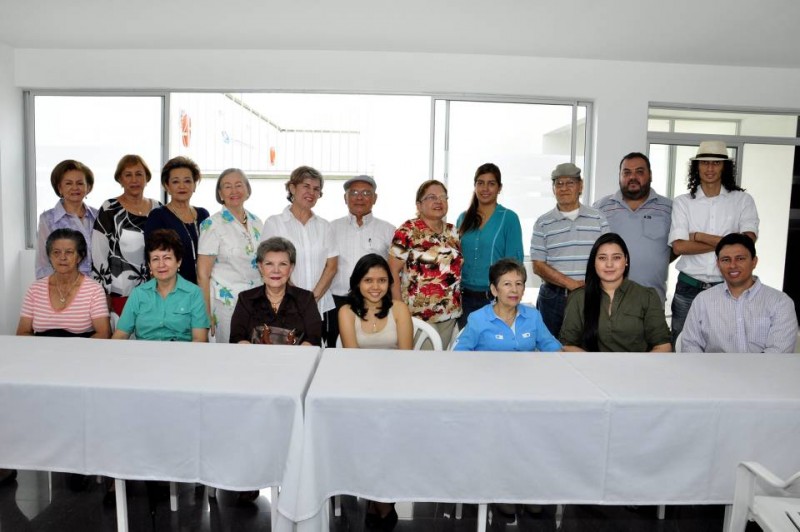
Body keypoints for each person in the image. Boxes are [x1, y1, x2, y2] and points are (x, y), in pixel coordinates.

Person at [669, 141, 759, 344]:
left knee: (727, 346)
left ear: (725, 167)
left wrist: (698, 236)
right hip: (688, 287)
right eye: (704, 163)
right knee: (681, 345)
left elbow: (747, 243)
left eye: (716, 163)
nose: (710, 168)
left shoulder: (742, 201)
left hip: (728, 286)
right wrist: (730, 242)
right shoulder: (683, 202)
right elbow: (679, 247)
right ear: (697, 167)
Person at [260, 166, 338, 346]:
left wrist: (311, 300)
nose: (311, 192)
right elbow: (270, 265)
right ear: (292, 188)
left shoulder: (325, 226)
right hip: (283, 303)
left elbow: (331, 266)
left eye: (316, 189)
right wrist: (295, 299)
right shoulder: (275, 223)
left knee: (318, 353)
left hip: (320, 304)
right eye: (306, 186)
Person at [681, 233, 798, 353]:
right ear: (718, 264)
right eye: (726, 260)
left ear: (754, 261)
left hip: (764, 371)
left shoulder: (780, 302)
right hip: (713, 370)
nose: (732, 265)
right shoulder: (703, 300)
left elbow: (779, 351)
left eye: (740, 258)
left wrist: (748, 371)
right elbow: (690, 345)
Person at [531, 162, 609, 337]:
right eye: (559, 183)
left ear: (580, 186)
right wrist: (571, 284)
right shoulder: (543, 223)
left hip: (590, 295)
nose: (564, 188)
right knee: (549, 349)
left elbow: (607, 258)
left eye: (570, 183)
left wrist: (590, 286)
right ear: (553, 189)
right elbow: (537, 265)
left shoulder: (598, 219)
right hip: (552, 298)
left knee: (587, 348)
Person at [560, 233, 671, 352]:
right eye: (602, 258)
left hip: (636, 368)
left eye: (616, 257)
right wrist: (594, 366)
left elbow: (663, 346)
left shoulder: (647, 296)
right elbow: (567, 345)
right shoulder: (578, 297)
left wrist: (640, 369)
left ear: (626, 260)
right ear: (594, 262)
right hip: (591, 368)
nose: (609, 264)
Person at [389, 179, 462, 348]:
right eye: (431, 197)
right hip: (418, 314)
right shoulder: (407, 231)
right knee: (422, 367)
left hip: (450, 312)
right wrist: (400, 310)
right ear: (419, 205)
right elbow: (392, 272)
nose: (439, 201)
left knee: (439, 364)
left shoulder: (454, 231)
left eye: (443, 197)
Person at [593, 152, 673, 302]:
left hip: (652, 299)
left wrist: (657, 259)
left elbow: (676, 246)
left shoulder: (669, 208)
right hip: (608, 300)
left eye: (639, 172)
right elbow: (593, 249)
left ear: (650, 175)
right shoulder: (600, 208)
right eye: (627, 172)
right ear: (620, 176)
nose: (633, 177)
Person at [197, 169, 263, 344]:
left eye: (239, 185)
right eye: (227, 186)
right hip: (226, 303)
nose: (234, 191)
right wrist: (205, 315)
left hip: (256, 300)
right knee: (229, 356)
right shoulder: (212, 224)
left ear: (247, 190)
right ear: (220, 193)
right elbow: (203, 274)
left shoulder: (257, 222)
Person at [92, 154, 162, 317]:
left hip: (155, 289)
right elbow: (98, 254)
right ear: (120, 179)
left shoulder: (158, 208)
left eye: (139, 174)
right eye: (128, 175)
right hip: (120, 290)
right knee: (123, 338)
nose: (134, 180)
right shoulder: (110, 208)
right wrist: (103, 293)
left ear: (147, 178)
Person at [456, 163, 524, 329]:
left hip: (494, 299)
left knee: (494, 350)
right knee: (468, 351)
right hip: (464, 299)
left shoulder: (509, 218)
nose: (485, 188)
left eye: (491, 183)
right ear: (475, 186)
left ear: (499, 188)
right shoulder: (463, 218)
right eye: (480, 183)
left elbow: (515, 263)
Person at [330, 175, 396, 343]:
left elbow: (395, 269)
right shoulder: (330, 228)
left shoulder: (389, 230)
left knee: (375, 347)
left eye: (366, 192)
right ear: (345, 198)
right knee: (335, 349)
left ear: (375, 198)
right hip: (337, 300)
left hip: (375, 300)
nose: (360, 197)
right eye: (354, 192)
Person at [112, 229, 209, 341]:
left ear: (178, 261)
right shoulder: (138, 294)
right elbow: (121, 335)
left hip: (181, 355)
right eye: (155, 259)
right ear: (149, 265)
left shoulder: (194, 293)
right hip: (144, 355)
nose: (161, 264)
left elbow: (199, 339)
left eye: (167, 258)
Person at [230, 237, 322, 346]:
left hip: (296, 360)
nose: (276, 270)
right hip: (255, 360)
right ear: (260, 267)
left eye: (283, 264)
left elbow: (314, 337)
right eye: (269, 264)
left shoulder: (306, 298)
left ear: (291, 268)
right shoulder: (246, 299)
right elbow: (236, 337)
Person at [18, 228, 110, 338]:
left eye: (69, 252)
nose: (62, 257)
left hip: (80, 352)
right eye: (56, 252)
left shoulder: (94, 290)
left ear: (79, 257)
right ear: (49, 256)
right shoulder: (35, 289)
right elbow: (22, 332)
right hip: (42, 352)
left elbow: (104, 333)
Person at [455, 258, 560, 352]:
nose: (514, 290)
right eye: (507, 284)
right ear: (494, 290)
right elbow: (460, 354)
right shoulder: (478, 319)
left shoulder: (533, 316)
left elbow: (550, 345)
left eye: (518, 284)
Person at [144, 156, 210, 284]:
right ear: (167, 186)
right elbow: (153, 258)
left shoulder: (204, 214)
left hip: (204, 287)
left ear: (194, 185)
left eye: (187, 181)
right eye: (175, 182)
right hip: (172, 288)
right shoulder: (158, 216)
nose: (182, 186)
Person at [36, 159, 99, 279]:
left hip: (97, 287)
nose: (75, 188)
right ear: (60, 188)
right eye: (69, 183)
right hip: (64, 288)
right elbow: (43, 263)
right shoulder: (48, 219)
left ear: (88, 187)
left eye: (80, 183)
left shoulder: (98, 216)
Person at [338, 253, 413, 349]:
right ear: (357, 282)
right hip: (359, 363)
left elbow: (406, 355)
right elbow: (353, 357)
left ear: (389, 283)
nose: (376, 287)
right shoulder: (346, 312)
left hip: (396, 364)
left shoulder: (400, 309)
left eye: (382, 280)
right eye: (368, 280)